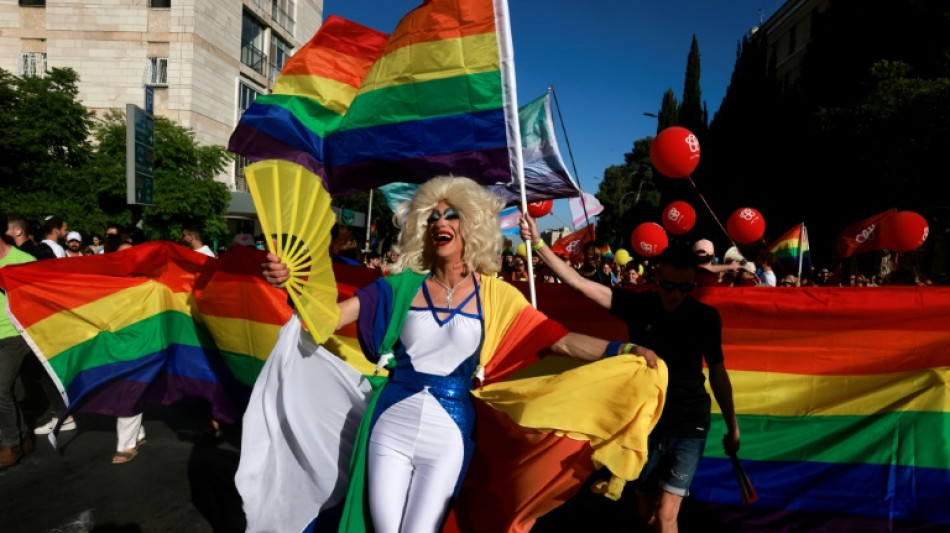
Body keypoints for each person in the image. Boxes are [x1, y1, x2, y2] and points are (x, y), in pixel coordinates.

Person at [254, 177, 664, 532]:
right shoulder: (398, 287)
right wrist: (292, 284)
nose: (440, 223)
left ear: (472, 227)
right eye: (432, 217)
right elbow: (327, 318)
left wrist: (624, 349)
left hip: (449, 432)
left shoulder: (497, 296)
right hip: (389, 423)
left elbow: (561, 340)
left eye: (451, 216)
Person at [522, 213, 740, 533]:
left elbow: (719, 374)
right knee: (646, 512)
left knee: (666, 515)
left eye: (684, 287)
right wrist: (538, 243)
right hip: (643, 423)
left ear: (694, 281)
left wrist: (733, 426)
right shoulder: (640, 306)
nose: (674, 294)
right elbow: (578, 283)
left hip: (689, 424)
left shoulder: (706, 317)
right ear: (657, 276)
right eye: (668, 285)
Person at [0, 211, 37, 467]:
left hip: (15, 335)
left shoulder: (23, 261)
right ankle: (24, 437)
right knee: (9, 390)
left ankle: (10, 444)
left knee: (0, 389)